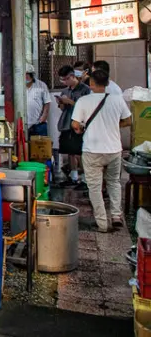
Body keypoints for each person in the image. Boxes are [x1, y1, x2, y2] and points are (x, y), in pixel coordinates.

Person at [71, 69, 132, 232]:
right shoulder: (117, 100)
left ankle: (103, 224)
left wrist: (81, 128)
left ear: (91, 83)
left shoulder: (84, 101)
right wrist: (114, 126)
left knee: (95, 188)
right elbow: (128, 120)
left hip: (92, 150)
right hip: (114, 150)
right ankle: (116, 216)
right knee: (113, 182)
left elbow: (75, 125)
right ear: (107, 83)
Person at [57, 64, 91, 186]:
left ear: (72, 76)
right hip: (67, 123)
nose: (64, 82)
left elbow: (87, 108)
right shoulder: (65, 91)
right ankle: (73, 176)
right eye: (62, 79)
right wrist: (61, 103)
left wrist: (70, 102)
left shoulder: (85, 89)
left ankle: (86, 178)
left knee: (80, 152)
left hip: (80, 125)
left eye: (66, 79)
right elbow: (62, 109)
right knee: (70, 151)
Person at [25, 64, 51, 136]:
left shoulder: (41, 85)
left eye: (28, 74)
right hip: (23, 124)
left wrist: (44, 116)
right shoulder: (18, 86)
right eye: (24, 74)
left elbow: (47, 102)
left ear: (32, 75)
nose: (26, 76)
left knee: (40, 146)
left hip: (39, 124)